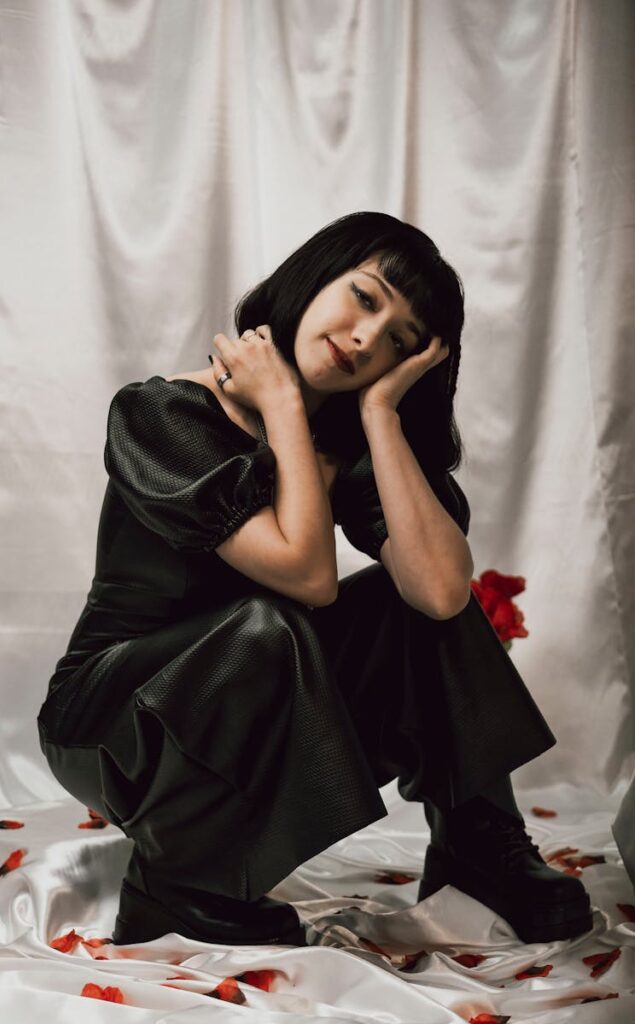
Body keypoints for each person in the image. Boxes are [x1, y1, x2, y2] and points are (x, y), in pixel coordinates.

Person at [36, 211, 592, 948]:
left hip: (254, 691)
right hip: (114, 719)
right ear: (313, 275)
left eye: (398, 340)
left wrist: (381, 417)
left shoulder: (347, 443)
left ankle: (476, 843)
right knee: (269, 626)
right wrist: (286, 407)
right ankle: (176, 883)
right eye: (365, 298)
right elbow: (305, 575)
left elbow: (440, 593)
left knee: (404, 602)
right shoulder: (163, 414)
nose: (367, 338)